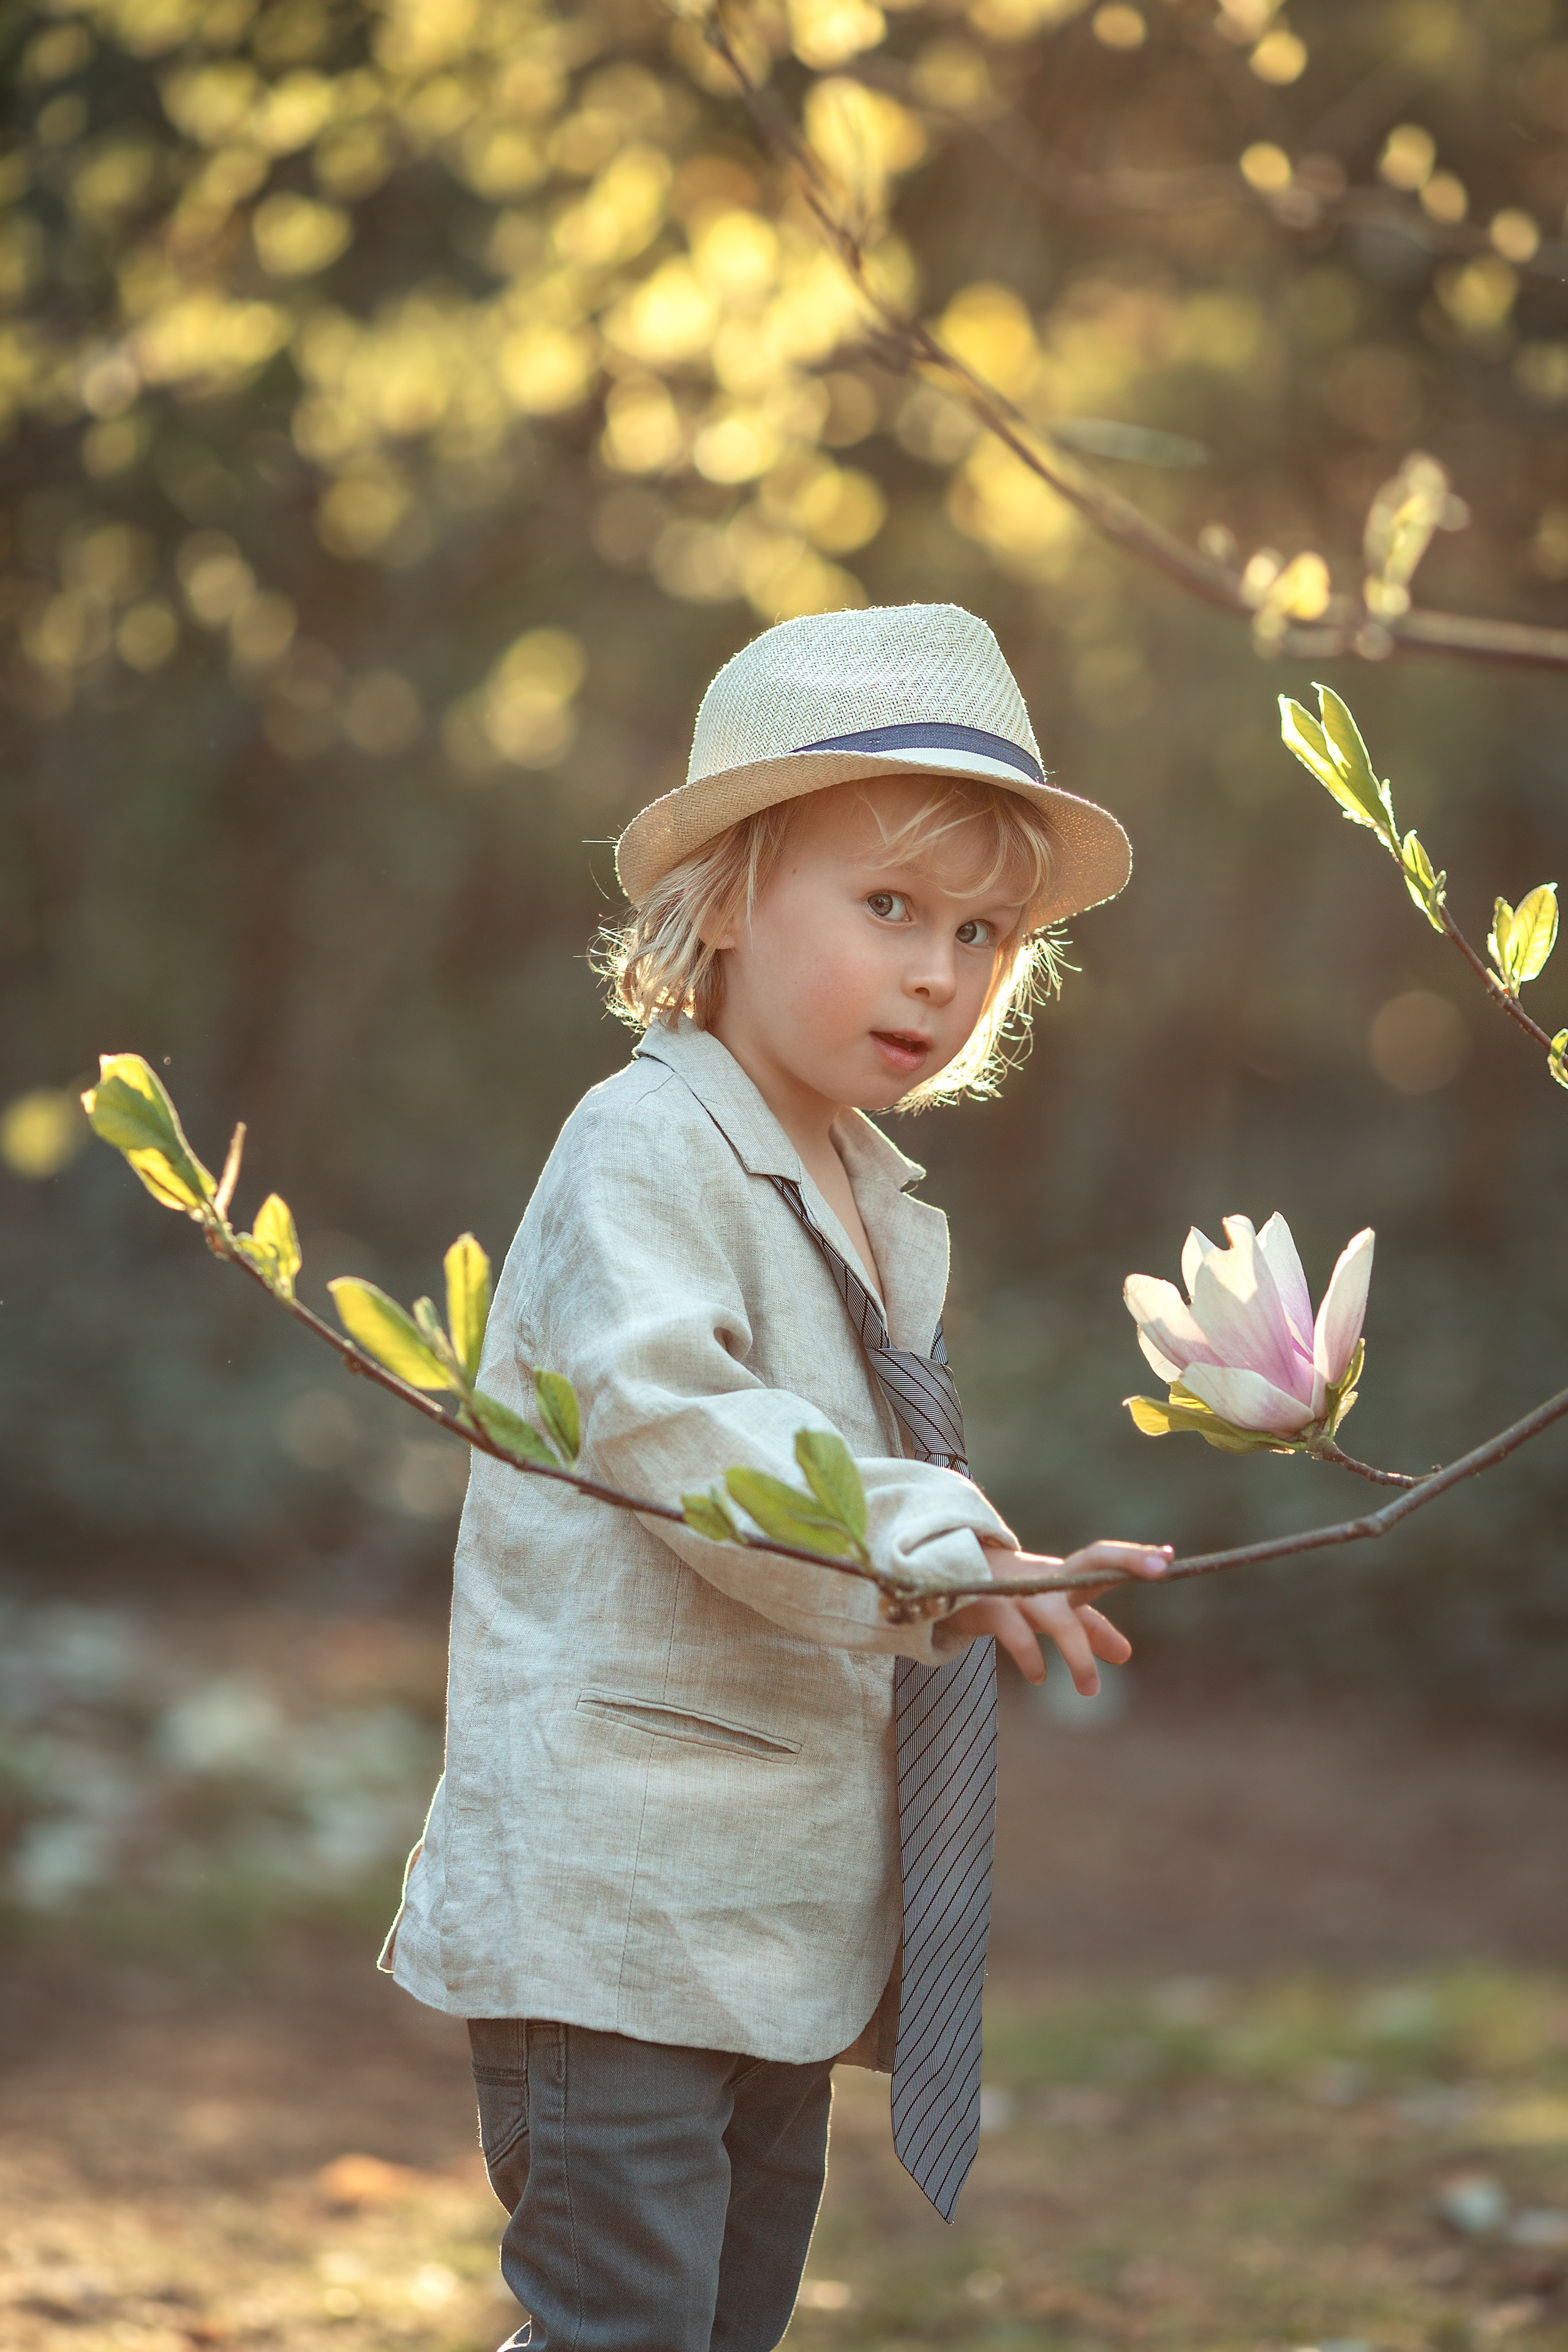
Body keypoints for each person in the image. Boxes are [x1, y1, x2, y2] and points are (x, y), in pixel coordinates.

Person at [380, 602, 1172, 2351]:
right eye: (889, 907)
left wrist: (983, 1566)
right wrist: (931, 1534)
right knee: (626, 2323)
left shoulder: (857, 1191)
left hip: (765, 1914)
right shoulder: (646, 1146)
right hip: (619, 1915)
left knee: (724, 2321)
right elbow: (677, 1425)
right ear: (727, 896)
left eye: (986, 932)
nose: (940, 974)